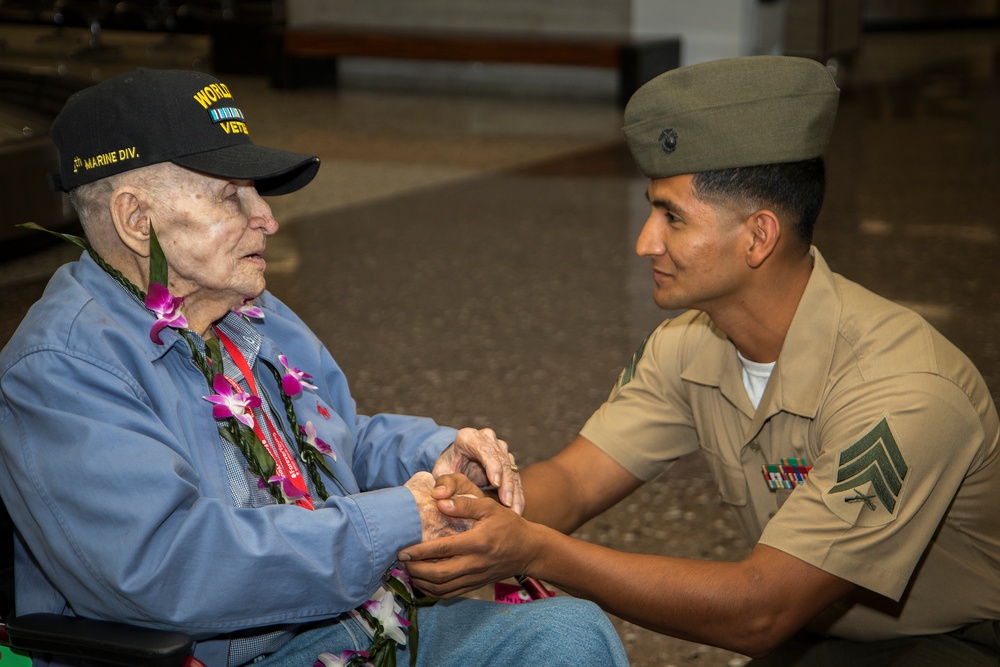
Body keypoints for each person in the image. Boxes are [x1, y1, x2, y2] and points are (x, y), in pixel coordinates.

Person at [0, 68, 628, 667]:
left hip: (343, 631)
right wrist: (401, 518)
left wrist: (437, 456)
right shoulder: (63, 368)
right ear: (139, 221)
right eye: (231, 197)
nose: (267, 220)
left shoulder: (251, 310)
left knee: (568, 637)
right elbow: (169, 571)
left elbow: (336, 439)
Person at [400, 56, 1000, 666]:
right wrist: (470, 511)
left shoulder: (903, 390)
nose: (644, 242)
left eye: (673, 217)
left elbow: (759, 609)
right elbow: (578, 481)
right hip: (814, 638)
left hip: (956, 644)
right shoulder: (690, 344)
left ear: (758, 237)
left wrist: (531, 551)